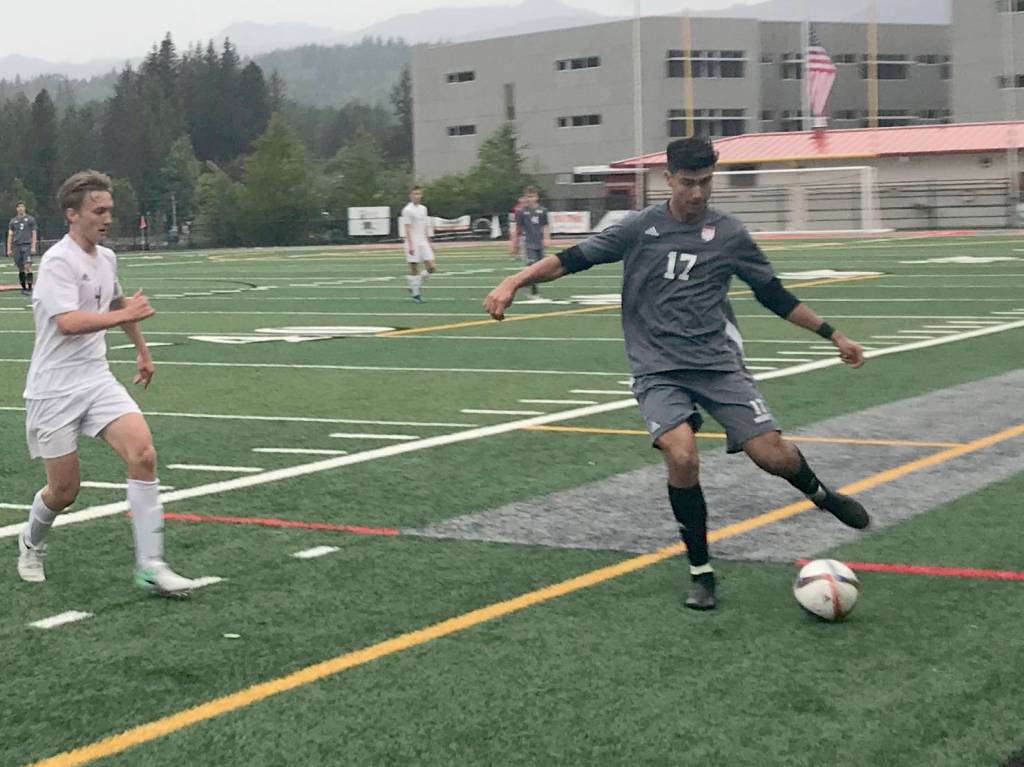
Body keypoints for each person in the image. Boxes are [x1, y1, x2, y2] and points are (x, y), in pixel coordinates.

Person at [484, 137, 870, 611]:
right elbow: (571, 259)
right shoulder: (638, 227)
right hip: (657, 367)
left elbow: (774, 295)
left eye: (705, 182)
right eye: (688, 183)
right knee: (682, 455)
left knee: (771, 455)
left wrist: (834, 335)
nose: (697, 193)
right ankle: (702, 571)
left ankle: (819, 493)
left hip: (717, 364)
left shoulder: (730, 233)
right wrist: (513, 281)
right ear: (668, 178)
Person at [16, 170, 195, 596]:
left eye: (110, 210)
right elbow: (68, 322)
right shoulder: (58, 262)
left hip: (96, 379)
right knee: (64, 490)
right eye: (99, 210)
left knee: (144, 453)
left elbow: (116, 302)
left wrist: (142, 349)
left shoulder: (107, 258)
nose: (107, 218)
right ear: (72, 214)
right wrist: (125, 316)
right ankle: (30, 542)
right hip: (53, 389)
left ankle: (150, 565)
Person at [509, 186, 550, 297]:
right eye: (527, 197)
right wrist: (515, 245)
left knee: (540, 268)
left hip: (539, 242)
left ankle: (527, 284)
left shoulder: (542, 211)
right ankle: (531, 288)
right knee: (531, 267)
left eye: (532, 196)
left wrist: (546, 238)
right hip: (527, 243)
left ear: (536, 197)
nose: (529, 199)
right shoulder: (521, 212)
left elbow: (545, 226)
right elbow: (518, 229)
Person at [399, 185, 436, 303]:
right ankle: (416, 294)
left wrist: (429, 240)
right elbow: (407, 228)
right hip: (413, 241)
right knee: (414, 267)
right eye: (414, 194)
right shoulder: (407, 210)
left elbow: (425, 225)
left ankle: (415, 283)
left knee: (431, 267)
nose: (417, 196)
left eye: (419, 194)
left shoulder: (423, 208)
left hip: (423, 241)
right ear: (410, 195)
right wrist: (410, 245)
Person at [8, 201, 38, 295]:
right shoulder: (13, 221)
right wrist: (9, 248)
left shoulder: (30, 219)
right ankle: (23, 288)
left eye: (22, 207)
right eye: (19, 207)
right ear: (16, 209)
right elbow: (10, 235)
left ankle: (30, 288)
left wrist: (33, 246)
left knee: (28, 266)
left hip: (27, 245)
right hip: (17, 246)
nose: (20, 208)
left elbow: (34, 233)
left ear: (25, 208)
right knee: (20, 267)